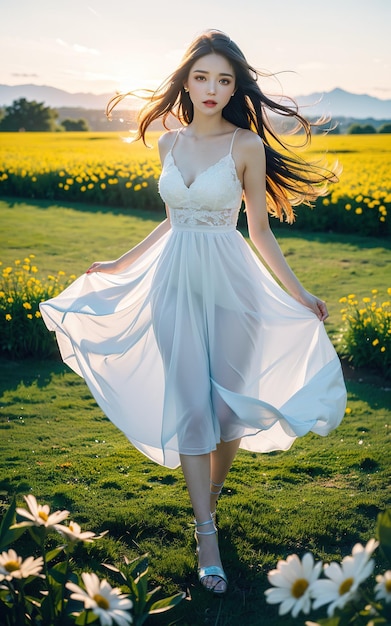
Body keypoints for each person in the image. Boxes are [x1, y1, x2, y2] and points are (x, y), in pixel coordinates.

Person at [40, 29, 347, 596]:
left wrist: (300, 294)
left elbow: (257, 229)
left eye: (225, 79)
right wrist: (120, 260)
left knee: (228, 408)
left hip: (234, 287)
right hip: (173, 284)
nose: (212, 88)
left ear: (236, 88)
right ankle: (205, 528)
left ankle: (211, 490)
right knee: (189, 405)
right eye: (202, 76)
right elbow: (173, 217)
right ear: (186, 80)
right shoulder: (169, 143)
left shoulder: (246, 146)